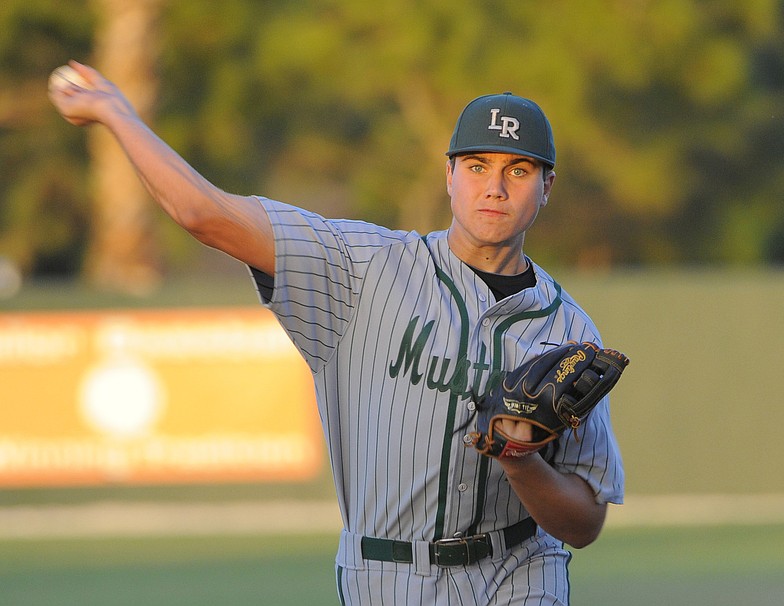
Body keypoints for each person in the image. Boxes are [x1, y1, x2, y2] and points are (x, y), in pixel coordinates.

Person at [49, 61, 624, 605]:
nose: (494, 187)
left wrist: (521, 460)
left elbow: (585, 525)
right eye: (476, 166)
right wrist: (116, 113)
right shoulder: (360, 266)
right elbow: (206, 214)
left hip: (520, 567)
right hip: (389, 572)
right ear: (448, 176)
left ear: (546, 186)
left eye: (516, 170)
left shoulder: (568, 329)